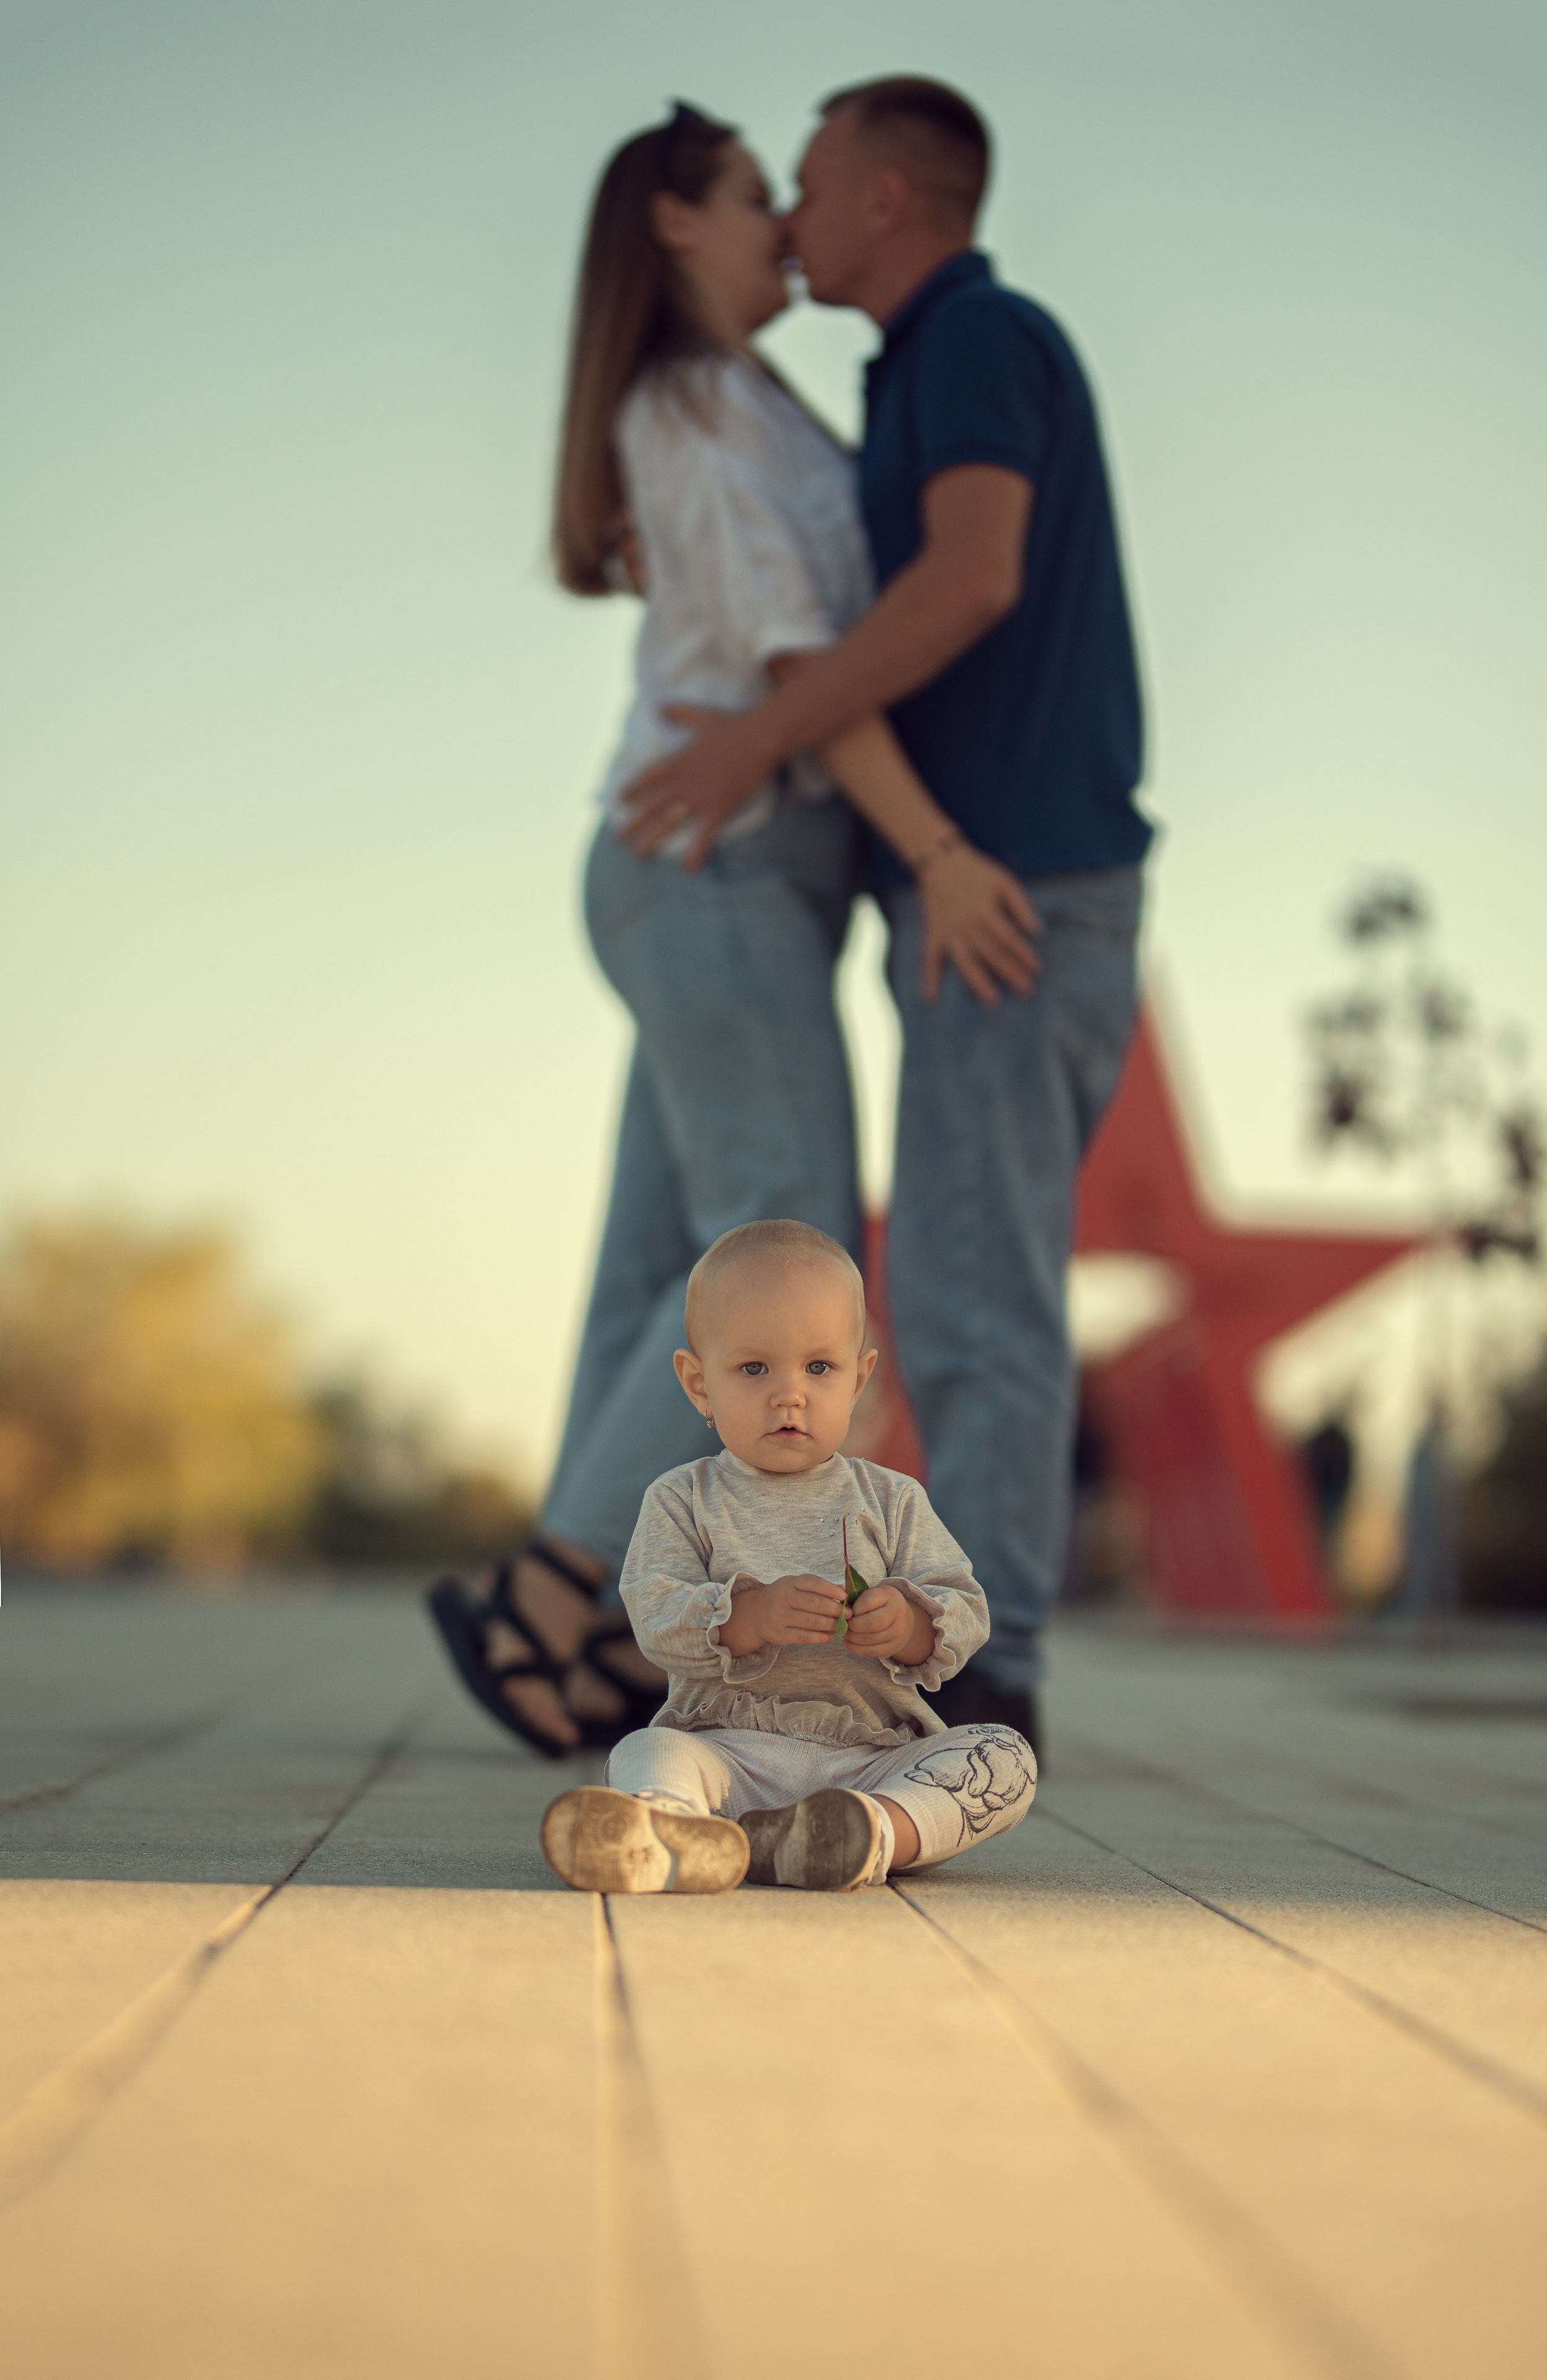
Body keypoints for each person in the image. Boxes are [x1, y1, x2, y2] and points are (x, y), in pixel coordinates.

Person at [429, 103, 1042, 1758]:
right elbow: (791, 672)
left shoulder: (736, 408)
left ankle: (560, 1619)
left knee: (662, 1268)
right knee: (782, 1231)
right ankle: (565, 1594)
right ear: (673, 230)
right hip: (714, 870)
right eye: (751, 199)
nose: (782, 223)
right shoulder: (696, 410)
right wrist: (935, 843)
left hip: (723, 875)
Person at [621, 79, 1153, 1751]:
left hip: (1012, 894)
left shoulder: (981, 340)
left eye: (815, 177)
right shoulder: (917, 365)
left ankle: (990, 1681)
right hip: (986, 887)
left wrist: (763, 741)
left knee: (976, 1289)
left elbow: (973, 576)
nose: (788, 210)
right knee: (956, 1277)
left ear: (892, 202)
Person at [540, 1219, 1037, 1893]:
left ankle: (866, 1831)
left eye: (819, 1367)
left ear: (859, 1378)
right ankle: (671, 1827)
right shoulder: (683, 1498)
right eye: (753, 1368)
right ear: (697, 1383)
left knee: (1001, 1759)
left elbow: (964, 1606)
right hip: (728, 1755)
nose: (789, 1394)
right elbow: (655, 1615)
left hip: (871, 1760)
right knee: (645, 1749)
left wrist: (912, 1625)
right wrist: (751, 1615)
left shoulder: (891, 1499)